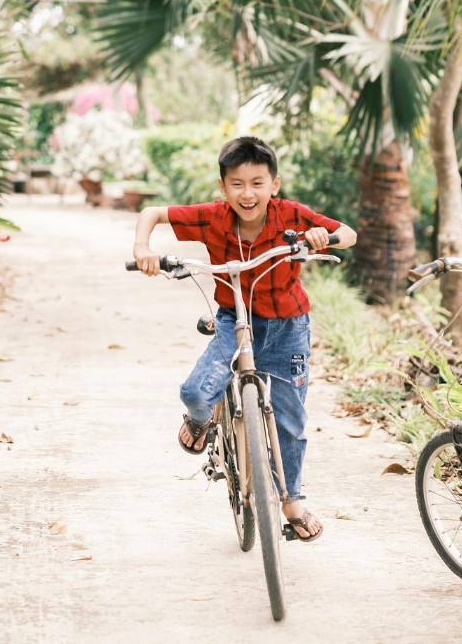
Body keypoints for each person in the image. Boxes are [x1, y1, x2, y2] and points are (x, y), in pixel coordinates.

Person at [132, 135, 357, 541]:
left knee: (290, 421)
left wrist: (322, 237)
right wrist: (142, 247)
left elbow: (349, 232)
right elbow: (151, 211)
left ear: (274, 184)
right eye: (237, 183)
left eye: (257, 183)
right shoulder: (212, 217)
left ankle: (292, 501)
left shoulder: (291, 215)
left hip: (288, 327)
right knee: (197, 393)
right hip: (232, 319)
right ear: (223, 188)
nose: (247, 193)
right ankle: (201, 423)